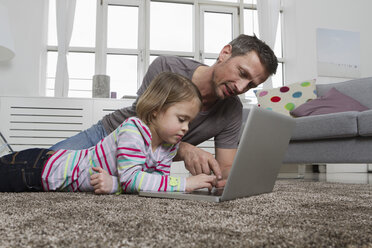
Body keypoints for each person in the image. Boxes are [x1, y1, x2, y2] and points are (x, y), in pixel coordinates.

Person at [50, 34, 278, 187]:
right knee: (46, 166)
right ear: (225, 53)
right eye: (242, 73)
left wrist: (221, 180)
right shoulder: (166, 67)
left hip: (144, 160)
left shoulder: (232, 110)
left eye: (251, 85)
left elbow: (226, 167)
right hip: (108, 134)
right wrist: (185, 148)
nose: (241, 87)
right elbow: (141, 132)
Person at [0, 72, 217, 193]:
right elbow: (133, 180)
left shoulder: (168, 148)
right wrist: (186, 184)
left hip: (45, 178)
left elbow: (154, 185)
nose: (187, 128)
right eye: (181, 119)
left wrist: (115, 185)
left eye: (189, 122)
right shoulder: (133, 131)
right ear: (155, 111)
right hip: (39, 168)